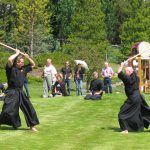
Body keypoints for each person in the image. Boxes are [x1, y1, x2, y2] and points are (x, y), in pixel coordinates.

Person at [0, 49, 39, 131]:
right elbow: (10, 59)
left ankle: (32, 126)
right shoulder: (10, 68)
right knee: (8, 110)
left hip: (21, 92)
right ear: (17, 62)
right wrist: (16, 53)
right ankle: (12, 124)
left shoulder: (24, 69)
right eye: (21, 62)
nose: (23, 63)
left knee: (28, 108)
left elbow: (33, 64)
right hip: (12, 91)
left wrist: (27, 57)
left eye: (23, 62)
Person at [118, 62, 150, 134]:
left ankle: (125, 130)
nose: (125, 72)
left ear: (129, 72)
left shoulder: (128, 78)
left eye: (126, 71)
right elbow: (133, 71)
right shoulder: (136, 77)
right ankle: (137, 127)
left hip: (133, 98)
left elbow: (119, 73)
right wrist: (127, 65)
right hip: (138, 97)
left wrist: (122, 65)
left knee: (121, 114)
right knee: (143, 111)